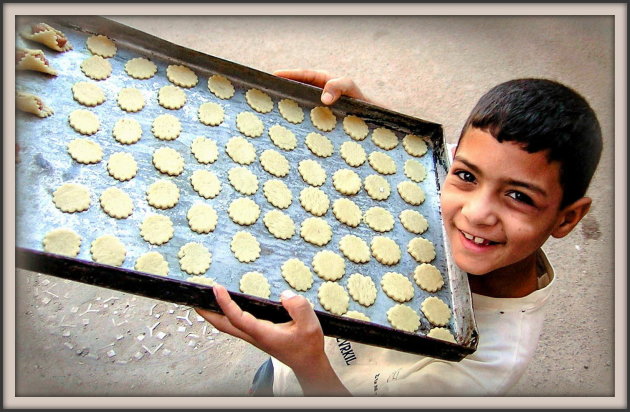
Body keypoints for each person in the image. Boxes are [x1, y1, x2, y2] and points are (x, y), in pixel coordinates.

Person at [195, 70, 603, 396]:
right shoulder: (459, 212)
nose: (476, 213)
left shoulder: (487, 365)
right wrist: (375, 123)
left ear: (567, 218)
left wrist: (309, 364)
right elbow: (423, 176)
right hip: (288, 362)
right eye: (465, 175)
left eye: (518, 196)